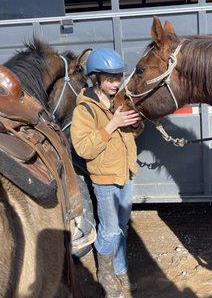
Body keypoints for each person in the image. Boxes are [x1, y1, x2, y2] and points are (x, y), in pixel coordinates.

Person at [70, 47, 143, 298]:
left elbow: (134, 133)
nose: (116, 83)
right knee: (110, 230)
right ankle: (105, 274)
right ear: (96, 79)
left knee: (122, 226)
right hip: (104, 179)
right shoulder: (85, 109)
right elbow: (83, 148)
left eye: (119, 77)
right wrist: (112, 124)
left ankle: (120, 269)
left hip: (126, 173)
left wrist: (134, 124)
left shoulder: (119, 100)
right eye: (110, 79)